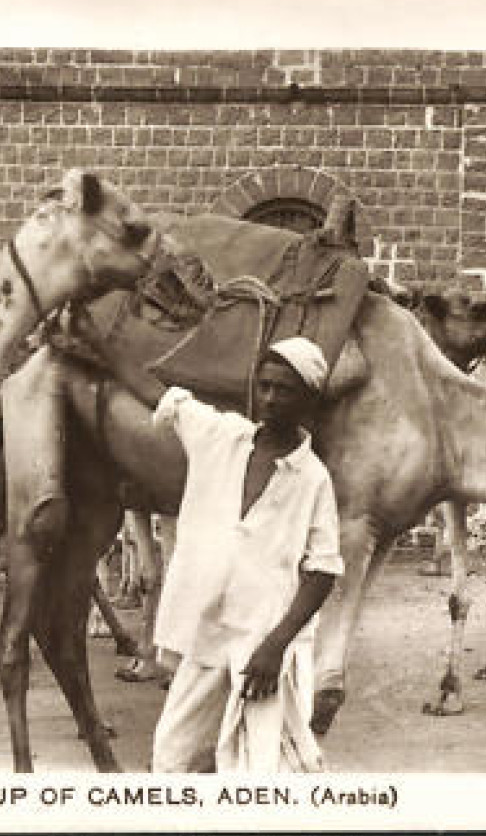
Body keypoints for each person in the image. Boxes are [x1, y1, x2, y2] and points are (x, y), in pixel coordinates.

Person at [68, 313, 342, 773]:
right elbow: (162, 397)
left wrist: (276, 646)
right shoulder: (222, 437)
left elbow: (323, 571)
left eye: (284, 391)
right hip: (205, 636)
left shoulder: (313, 478)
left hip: (262, 646)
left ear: (309, 402)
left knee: (265, 773)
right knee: (172, 760)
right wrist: (100, 343)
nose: (270, 399)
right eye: (266, 386)